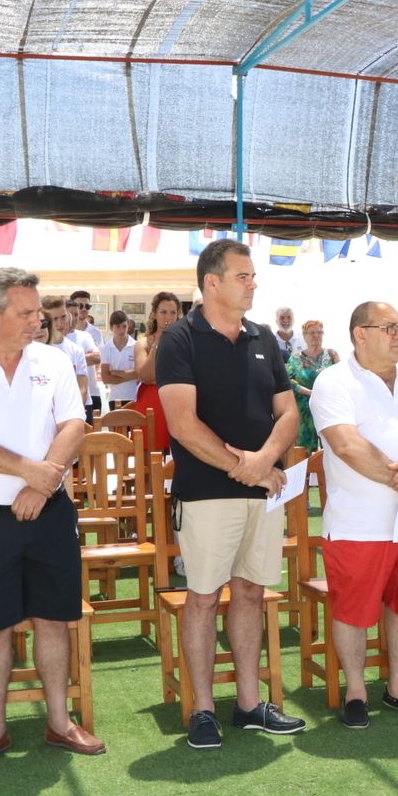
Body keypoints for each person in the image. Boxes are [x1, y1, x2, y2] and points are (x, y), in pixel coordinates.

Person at [0, 267, 104, 767]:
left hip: (49, 511)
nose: (38, 321)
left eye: (36, 312)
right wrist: (30, 471)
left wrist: (38, 482)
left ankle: (59, 722)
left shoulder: (52, 359)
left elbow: (76, 422)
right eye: (26, 312)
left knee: (55, 619)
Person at [159, 239, 306, 749]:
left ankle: (248, 705)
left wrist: (263, 463)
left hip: (263, 493)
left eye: (253, 276)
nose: (253, 284)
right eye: (242, 276)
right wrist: (246, 468)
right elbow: (182, 423)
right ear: (212, 282)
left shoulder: (264, 337)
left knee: (249, 593)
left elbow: (289, 413)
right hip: (205, 495)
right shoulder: (179, 340)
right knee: (201, 599)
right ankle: (203, 710)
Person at [310, 301, 398, 728]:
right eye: (388, 328)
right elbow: (347, 446)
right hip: (360, 521)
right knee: (354, 607)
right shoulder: (333, 381)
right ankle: (355, 691)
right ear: (360, 334)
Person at [133, 293, 181, 451]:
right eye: (163, 312)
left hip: (178, 402)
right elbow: (145, 376)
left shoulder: (185, 343)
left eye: (173, 312)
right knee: (150, 455)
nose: (168, 317)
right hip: (152, 403)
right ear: (154, 314)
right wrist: (157, 344)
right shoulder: (143, 343)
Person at [285, 319, 338, 451]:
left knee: (332, 449)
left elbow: (342, 378)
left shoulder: (331, 355)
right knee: (304, 453)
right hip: (304, 413)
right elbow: (288, 381)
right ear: (304, 336)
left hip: (328, 409)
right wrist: (309, 392)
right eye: (312, 332)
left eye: (320, 332)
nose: (316, 335)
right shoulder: (295, 358)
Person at [67, 293, 103, 420]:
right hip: (68, 395)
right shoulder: (58, 336)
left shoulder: (93, 333)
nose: (84, 309)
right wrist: (85, 358)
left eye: (87, 306)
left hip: (91, 392)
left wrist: (72, 361)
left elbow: (97, 358)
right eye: (80, 305)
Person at [97, 310, 140, 408]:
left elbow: (139, 373)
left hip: (134, 397)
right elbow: (105, 378)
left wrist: (116, 372)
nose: (121, 330)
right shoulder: (106, 348)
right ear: (111, 327)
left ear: (128, 325)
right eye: (118, 326)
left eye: (124, 326)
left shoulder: (136, 345)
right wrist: (129, 375)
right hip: (114, 398)